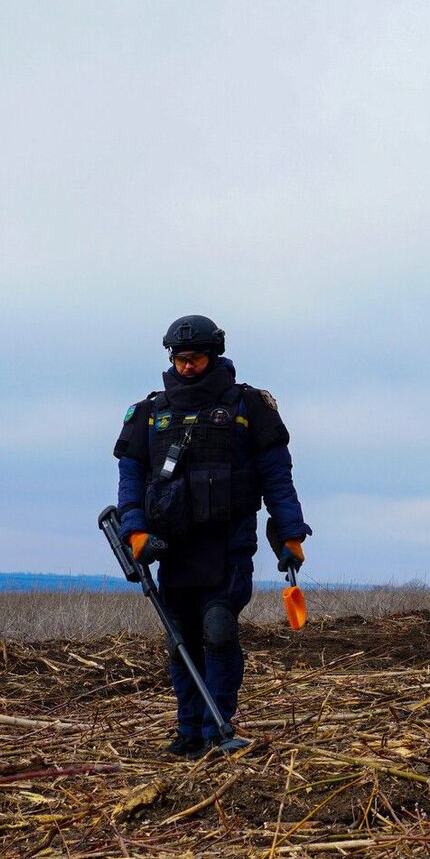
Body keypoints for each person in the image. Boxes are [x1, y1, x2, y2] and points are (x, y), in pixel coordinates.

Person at [113, 315, 311, 758]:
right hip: (172, 549)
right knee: (179, 638)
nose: (187, 367)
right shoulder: (149, 414)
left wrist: (290, 532)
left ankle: (218, 728)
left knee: (218, 631)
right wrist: (135, 531)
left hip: (228, 545)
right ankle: (189, 732)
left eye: (196, 359)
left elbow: (277, 477)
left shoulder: (248, 407)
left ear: (214, 355)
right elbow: (130, 478)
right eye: (180, 360)